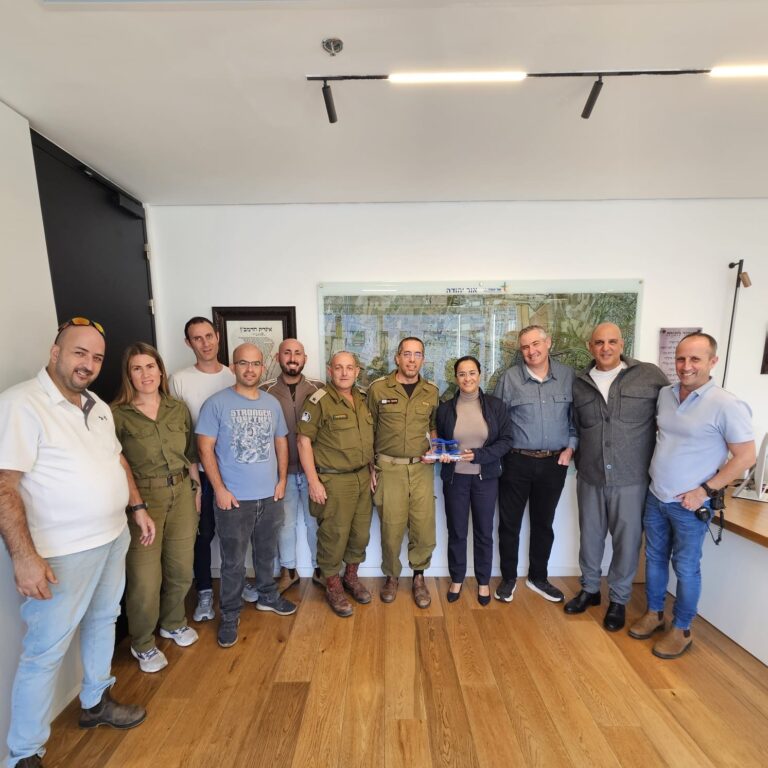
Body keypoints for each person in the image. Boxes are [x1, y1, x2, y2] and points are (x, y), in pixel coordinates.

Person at [0, 318, 146, 768]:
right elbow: (5, 484)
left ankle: (95, 701)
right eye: (79, 353)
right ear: (55, 352)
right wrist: (24, 557)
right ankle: (24, 753)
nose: (88, 364)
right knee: (45, 650)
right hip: (61, 552)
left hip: (112, 536)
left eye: (96, 357)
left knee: (104, 619)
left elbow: (116, 460)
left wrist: (137, 507)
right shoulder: (21, 403)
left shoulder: (96, 405)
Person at [628, 332, 754, 659]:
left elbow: (746, 457)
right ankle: (655, 613)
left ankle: (682, 629)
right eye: (681, 358)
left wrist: (705, 491)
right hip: (657, 496)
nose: (686, 366)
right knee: (654, 558)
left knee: (685, 568)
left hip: (690, 505)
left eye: (695, 359)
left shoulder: (726, 404)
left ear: (713, 361)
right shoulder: (666, 395)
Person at [566, 323, 668, 631]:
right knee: (590, 537)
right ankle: (590, 589)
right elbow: (574, 426)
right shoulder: (579, 383)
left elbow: (672, 418)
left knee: (627, 541)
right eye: (599, 342)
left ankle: (619, 600)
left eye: (612, 341)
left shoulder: (649, 376)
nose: (606, 348)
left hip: (632, 478)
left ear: (622, 344)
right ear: (590, 346)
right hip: (590, 476)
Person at [196, 343, 297, 649]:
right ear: (233, 367)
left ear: (262, 367)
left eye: (255, 364)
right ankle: (229, 614)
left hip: (270, 496)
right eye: (243, 363)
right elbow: (204, 448)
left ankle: (267, 596)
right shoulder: (216, 403)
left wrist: (281, 480)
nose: (250, 369)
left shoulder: (271, 403)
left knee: (266, 554)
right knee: (233, 563)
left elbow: (281, 442)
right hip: (234, 500)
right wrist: (220, 490)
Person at [112, 342, 201, 672]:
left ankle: (173, 622)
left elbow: (190, 454)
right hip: (143, 499)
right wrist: (137, 506)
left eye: (150, 367)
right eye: (137, 368)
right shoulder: (117, 414)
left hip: (182, 493)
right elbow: (117, 464)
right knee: (144, 578)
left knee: (181, 568)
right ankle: (143, 643)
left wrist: (197, 490)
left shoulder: (178, 409)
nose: (145, 374)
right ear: (129, 375)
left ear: (161, 371)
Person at [492, 325, 577, 603]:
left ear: (548, 342)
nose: (531, 351)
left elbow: (576, 419)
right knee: (509, 524)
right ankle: (508, 578)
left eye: (536, 344)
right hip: (516, 462)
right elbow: (498, 421)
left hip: (554, 463)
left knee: (544, 523)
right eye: (525, 347)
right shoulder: (510, 378)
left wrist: (571, 447)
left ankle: (538, 577)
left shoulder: (568, 376)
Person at [168, 316, 237, 622]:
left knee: (235, 533)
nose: (205, 343)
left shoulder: (233, 375)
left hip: (233, 470)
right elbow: (179, 432)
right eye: (197, 338)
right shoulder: (179, 380)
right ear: (188, 343)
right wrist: (194, 480)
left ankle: (237, 585)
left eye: (209, 336)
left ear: (217, 336)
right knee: (203, 533)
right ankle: (205, 591)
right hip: (200, 472)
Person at [296, 352, 375, 617]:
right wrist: (313, 481)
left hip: (362, 478)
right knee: (334, 535)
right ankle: (333, 586)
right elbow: (303, 442)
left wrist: (371, 468)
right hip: (333, 480)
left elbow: (366, 438)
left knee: (360, 534)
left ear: (357, 371)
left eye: (349, 368)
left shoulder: (362, 398)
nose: (344, 373)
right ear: (330, 371)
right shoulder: (319, 400)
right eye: (338, 368)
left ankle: (350, 578)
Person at [367, 337, 439, 608]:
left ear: (423, 359)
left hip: (421, 468)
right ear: (397, 358)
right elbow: (368, 430)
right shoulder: (377, 389)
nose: (411, 359)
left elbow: (432, 426)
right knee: (391, 527)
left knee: (423, 525)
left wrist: (435, 448)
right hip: (389, 468)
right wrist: (370, 467)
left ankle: (419, 577)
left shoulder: (431, 391)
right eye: (406, 354)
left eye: (417, 354)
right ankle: (392, 577)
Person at [436, 356, 514, 605]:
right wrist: (442, 454)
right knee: (457, 531)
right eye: (462, 374)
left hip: (485, 479)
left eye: (472, 373)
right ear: (455, 378)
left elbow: (506, 441)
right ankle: (457, 578)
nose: (467, 378)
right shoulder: (445, 409)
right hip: (455, 479)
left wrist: (480, 455)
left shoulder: (495, 406)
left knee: (483, 532)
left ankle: (483, 581)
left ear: (480, 375)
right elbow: (442, 443)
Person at [260, 338, 324, 591]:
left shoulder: (320, 388)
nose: (292, 358)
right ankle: (289, 571)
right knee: (284, 525)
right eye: (287, 353)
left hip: (314, 471)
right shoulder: (264, 390)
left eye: (298, 353)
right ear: (278, 357)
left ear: (305, 358)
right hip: (281, 472)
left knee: (315, 523)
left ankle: (321, 569)